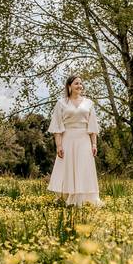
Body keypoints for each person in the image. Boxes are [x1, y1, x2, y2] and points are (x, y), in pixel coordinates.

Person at [47, 75, 103, 206]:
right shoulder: (61, 103)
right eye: (76, 83)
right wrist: (59, 146)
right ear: (69, 86)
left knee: (83, 167)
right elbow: (57, 127)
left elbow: (93, 126)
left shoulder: (88, 103)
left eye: (81, 83)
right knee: (67, 167)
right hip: (68, 139)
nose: (80, 86)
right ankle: (66, 197)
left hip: (84, 139)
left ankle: (84, 199)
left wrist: (94, 144)